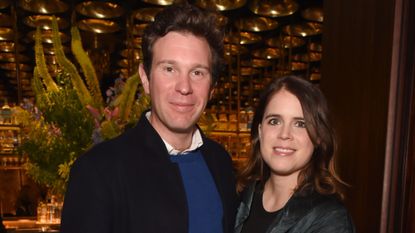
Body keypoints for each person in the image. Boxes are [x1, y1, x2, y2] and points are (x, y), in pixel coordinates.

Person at [60, 3, 237, 233]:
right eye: (169, 69)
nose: (184, 87)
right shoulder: (98, 171)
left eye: (197, 72)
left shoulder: (221, 162)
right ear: (145, 78)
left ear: (211, 87)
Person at [234, 75, 355, 233]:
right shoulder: (240, 195)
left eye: (300, 124)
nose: (284, 134)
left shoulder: (329, 217)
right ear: (260, 131)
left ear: (318, 137)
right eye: (274, 121)